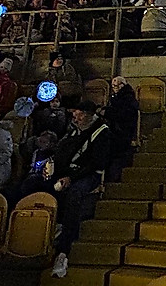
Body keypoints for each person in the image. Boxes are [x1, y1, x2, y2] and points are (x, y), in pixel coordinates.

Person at [50, 99, 113, 278]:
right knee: (34, 184)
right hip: (68, 172)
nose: (75, 118)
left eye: (79, 114)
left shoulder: (102, 132)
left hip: (89, 174)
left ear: (89, 115)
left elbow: (96, 163)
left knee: (74, 193)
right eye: (74, 114)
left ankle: (64, 249)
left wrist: (71, 177)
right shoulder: (73, 132)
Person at [103, 76, 139, 180]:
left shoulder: (128, 98)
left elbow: (123, 115)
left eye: (118, 85)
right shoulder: (115, 97)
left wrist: (107, 113)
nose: (115, 87)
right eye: (113, 85)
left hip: (123, 131)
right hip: (115, 130)